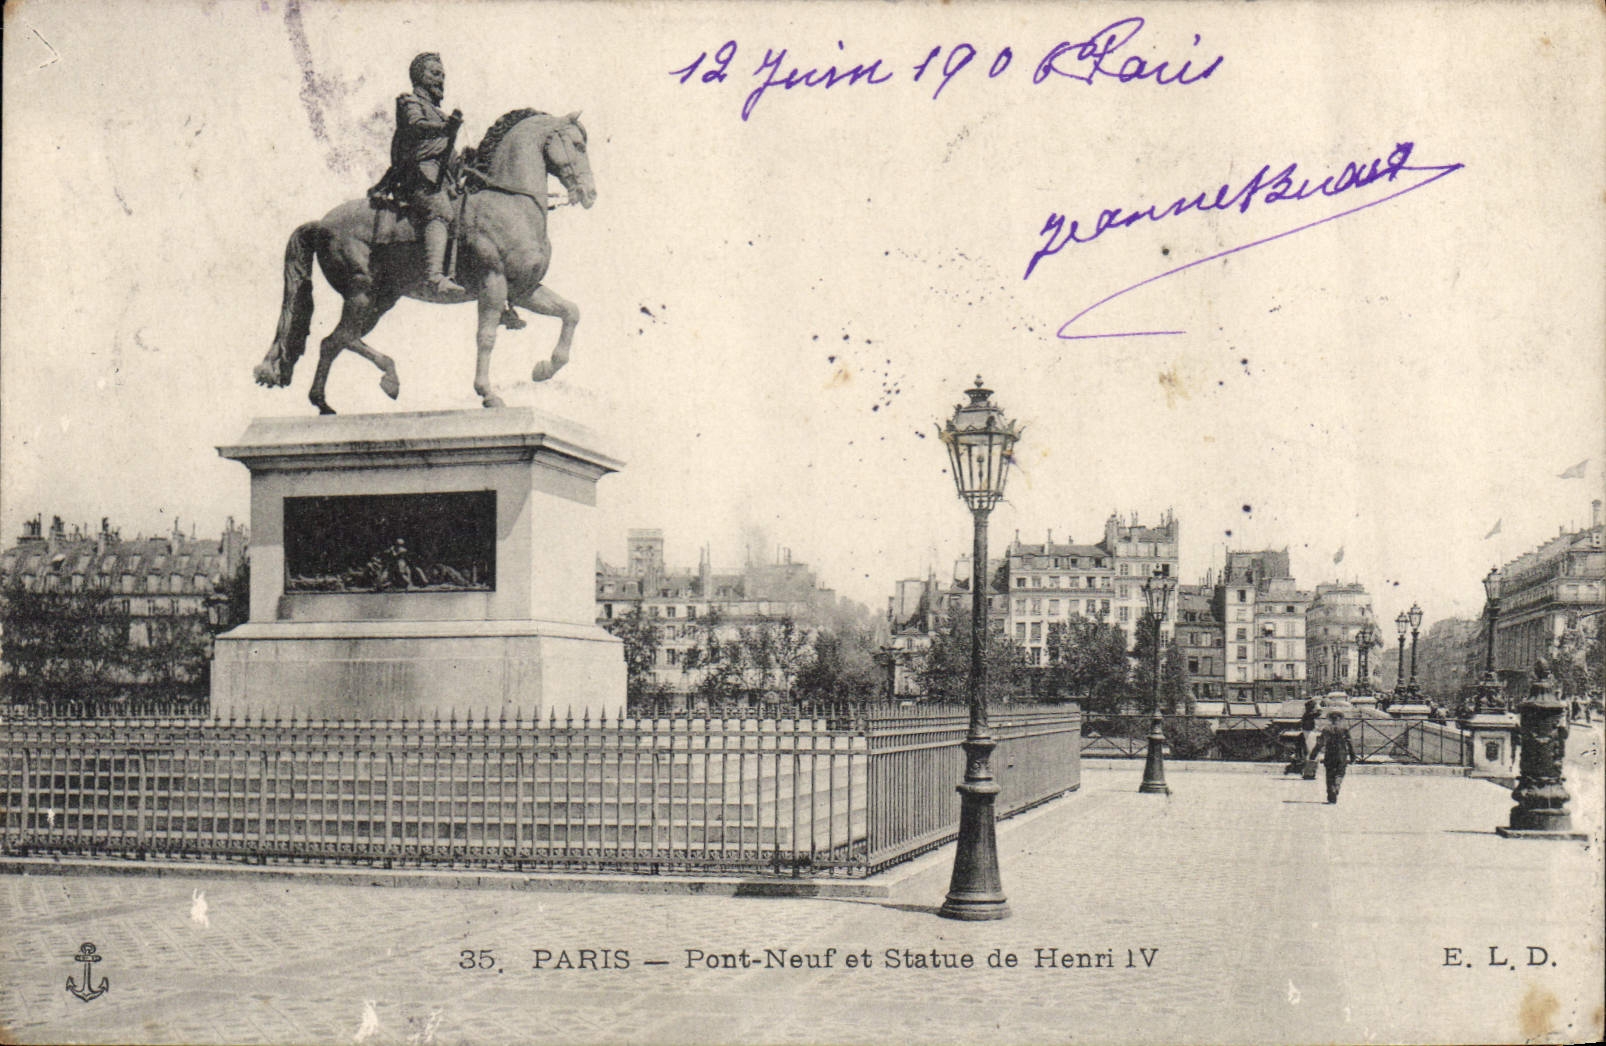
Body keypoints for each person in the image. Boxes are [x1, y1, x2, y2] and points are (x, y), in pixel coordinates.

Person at [375, 53, 466, 298]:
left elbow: (449, 157)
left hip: (441, 179)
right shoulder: (410, 102)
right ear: (419, 76)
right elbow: (415, 126)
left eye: (442, 75)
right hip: (417, 177)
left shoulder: (441, 115)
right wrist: (445, 128)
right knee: (440, 211)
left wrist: (466, 160)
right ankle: (434, 277)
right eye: (434, 73)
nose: (440, 79)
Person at [1313, 710, 1358, 804]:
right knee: (1340, 773)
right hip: (1341, 754)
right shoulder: (1344, 729)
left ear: (1330, 719)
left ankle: (1331, 795)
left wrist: (1314, 754)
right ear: (1339, 719)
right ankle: (1336, 786)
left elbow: (1320, 743)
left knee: (1329, 775)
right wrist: (1353, 756)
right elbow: (1350, 743)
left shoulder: (1326, 729)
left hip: (1329, 754)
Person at [1299, 698, 1320, 780]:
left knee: (1311, 753)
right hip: (1309, 734)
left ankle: (1310, 772)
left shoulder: (1307, 714)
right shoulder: (1309, 715)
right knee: (1312, 753)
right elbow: (1319, 713)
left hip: (1308, 733)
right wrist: (1318, 705)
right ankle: (1309, 772)